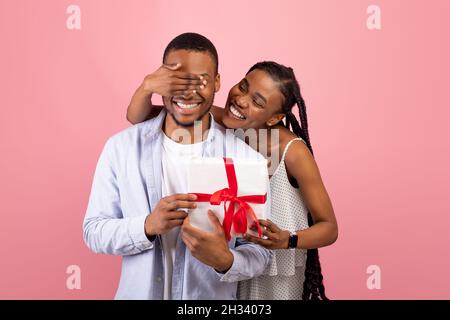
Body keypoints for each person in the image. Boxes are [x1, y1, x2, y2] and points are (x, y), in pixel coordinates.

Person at [127, 59, 338, 300]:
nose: (241, 100)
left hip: (277, 269)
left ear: (273, 118)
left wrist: (287, 240)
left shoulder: (293, 152)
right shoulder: (221, 120)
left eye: (257, 102)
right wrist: (147, 87)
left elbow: (329, 228)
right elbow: (140, 118)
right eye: (243, 86)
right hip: (234, 259)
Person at [83, 32, 272, 300]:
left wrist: (225, 260)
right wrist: (147, 226)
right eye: (177, 81)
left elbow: (261, 253)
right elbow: (93, 231)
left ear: (217, 82)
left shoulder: (246, 161)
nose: (188, 92)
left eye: (201, 81)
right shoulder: (121, 148)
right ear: (161, 82)